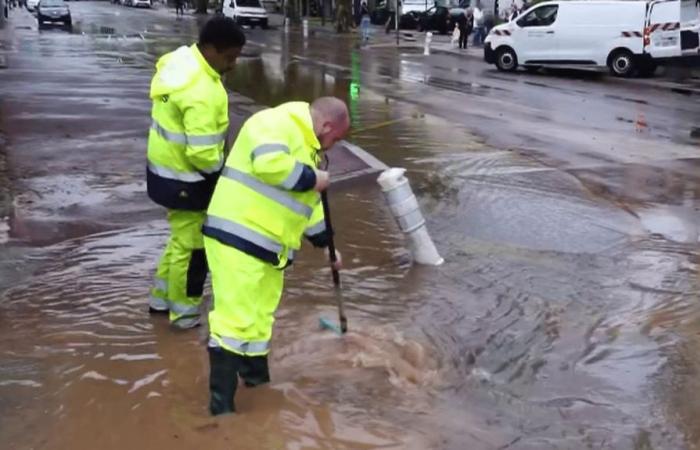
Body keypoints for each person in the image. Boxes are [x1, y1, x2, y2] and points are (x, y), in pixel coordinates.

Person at [203, 97, 350, 415]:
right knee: (234, 322)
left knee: (259, 322)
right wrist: (315, 179)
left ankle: (257, 383)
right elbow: (269, 167)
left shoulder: (311, 149)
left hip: (271, 248)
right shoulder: (274, 122)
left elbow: (305, 207)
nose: (333, 146)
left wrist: (327, 245)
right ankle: (222, 410)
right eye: (336, 139)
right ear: (326, 126)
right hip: (237, 238)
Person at [145, 17, 245, 329]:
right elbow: (202, 154)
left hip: (164, 172)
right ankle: (184, 315)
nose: (232, 65)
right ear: (211, 50)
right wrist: (223, 180)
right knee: (192, 250)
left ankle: (161, 301)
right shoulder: (202, 91)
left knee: (179, 241)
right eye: (229, 57)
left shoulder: (180, 61)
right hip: (188, 180)